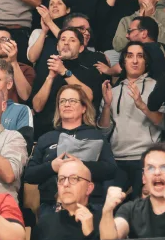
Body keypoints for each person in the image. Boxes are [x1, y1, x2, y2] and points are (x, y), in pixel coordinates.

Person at [26, 84, 117, 216]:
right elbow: (29, 175)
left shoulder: (96, 136)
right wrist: (52, 166)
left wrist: (81, 166)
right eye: (62, 101)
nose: (66, 104)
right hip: (52, 205)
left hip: (91, 204)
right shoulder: (46, 138)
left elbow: (111, 169)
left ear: (84, 108)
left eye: (72, 101)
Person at [99, 42, 162, 192]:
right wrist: (107, 106)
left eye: (140, 56)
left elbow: (162, 123)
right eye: (130, 56)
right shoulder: (113, 92)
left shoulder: (156, 86)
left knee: (143, 209)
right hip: (117, 158)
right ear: (123, 62)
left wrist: (142, 105)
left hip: (146, 157)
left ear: (146, 62)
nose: (135, 61)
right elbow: (103, 132)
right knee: (109, 204)